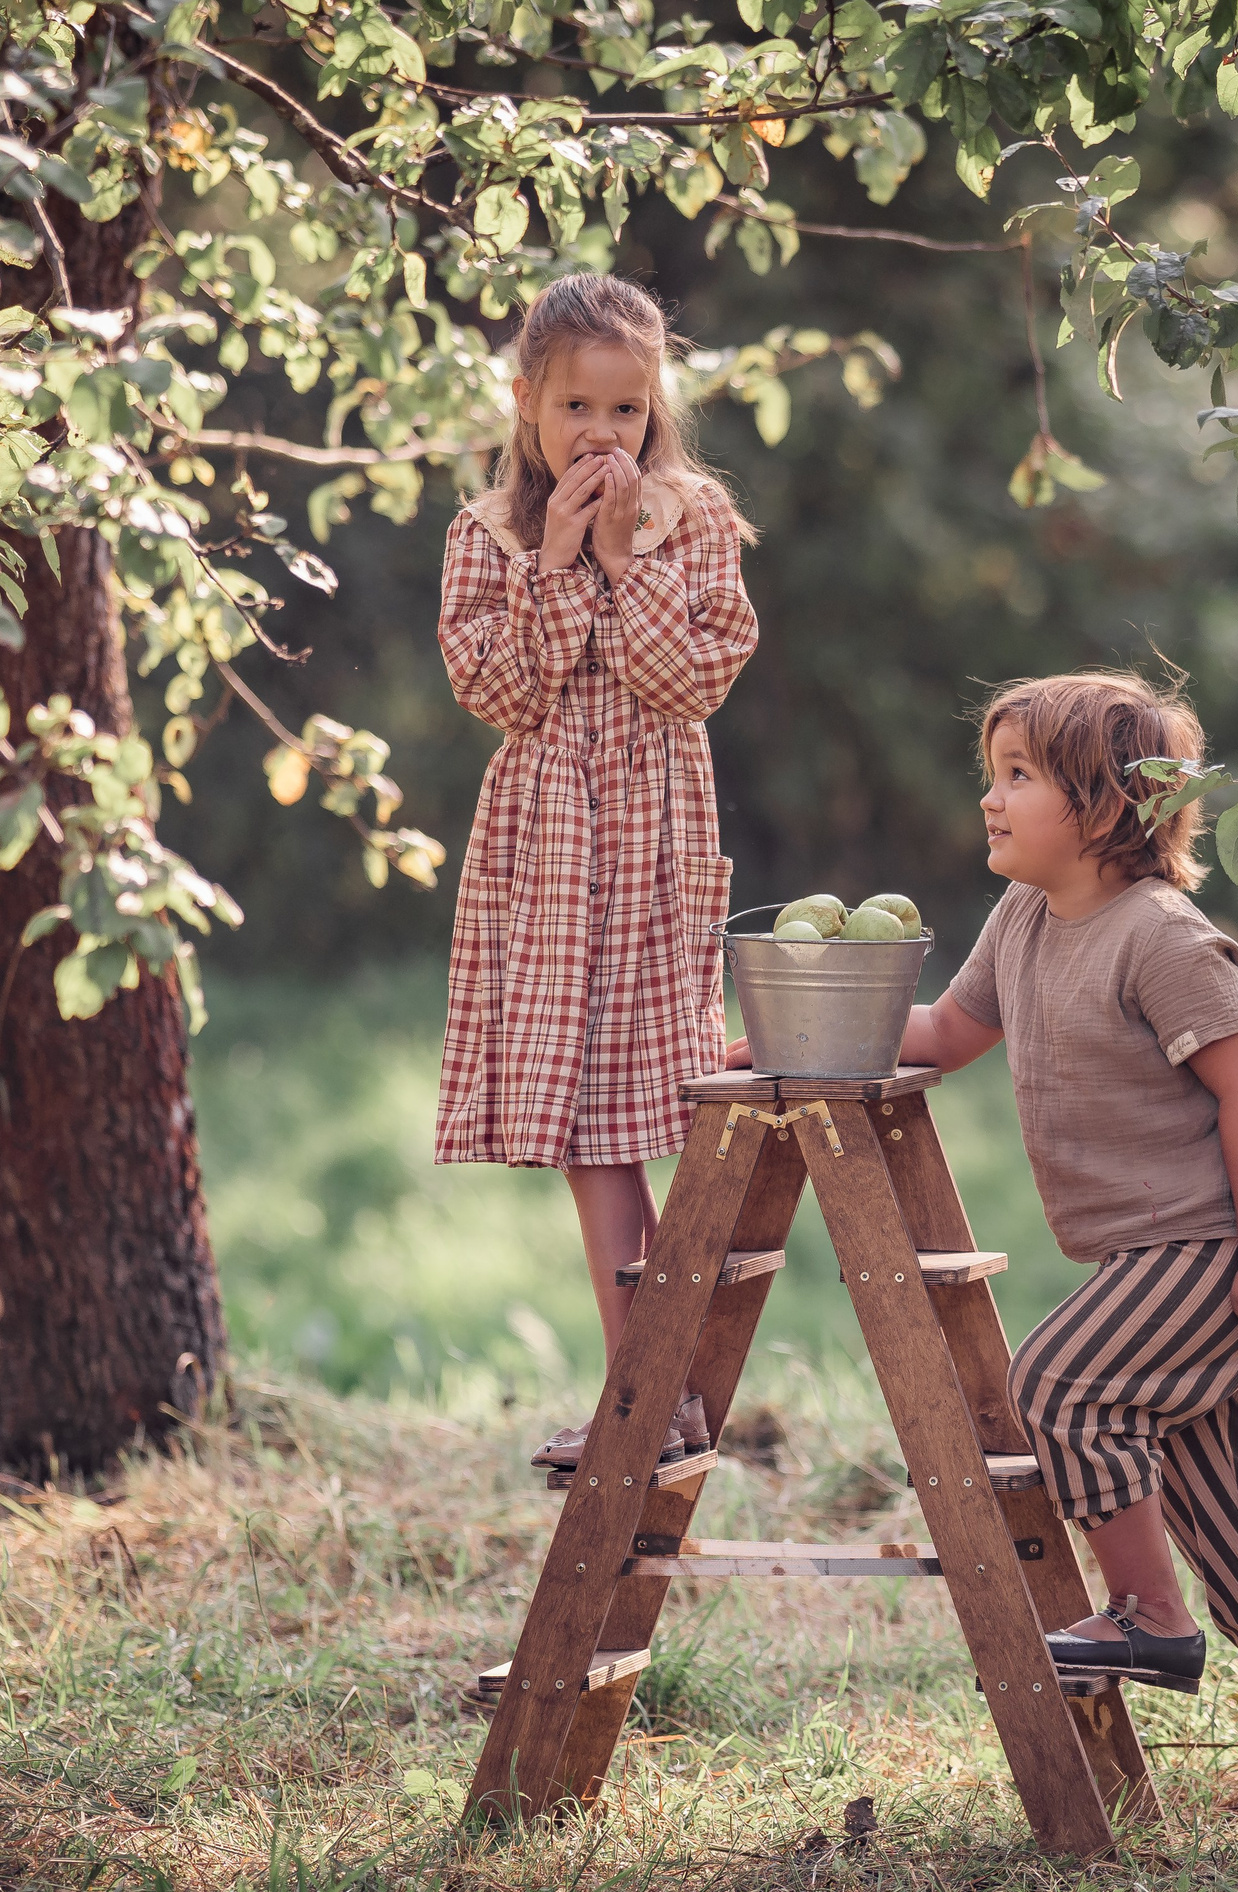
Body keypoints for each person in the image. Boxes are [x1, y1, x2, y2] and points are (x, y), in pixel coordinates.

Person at [772, 669, 1238, 1818]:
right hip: (1167, 1253)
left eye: (1019, 775)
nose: (990, 796)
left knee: (1061, 1384)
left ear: (1108, 804)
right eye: (992, 773)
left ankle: (1150, 1616)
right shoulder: (1023, 920)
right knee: (1230, 1512)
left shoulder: (1160, 938)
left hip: (1230, 1241)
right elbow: (944, 1031)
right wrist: (795, 1034)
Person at [435, 274, 760, 1472]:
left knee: (649, 1105)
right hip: (547, 852)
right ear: (526, 399)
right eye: (576, 405)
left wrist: (624, 561)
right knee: (585, 1125)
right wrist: (559, 563)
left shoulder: (693, 518)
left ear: (654, 405)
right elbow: (501, 695)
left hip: (653, 843)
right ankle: (649, 1394)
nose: (601, 433)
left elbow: (692, 684)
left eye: (626, 409)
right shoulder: (485, 535)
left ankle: (660, 1385)